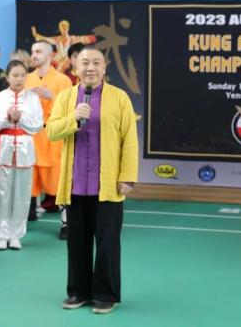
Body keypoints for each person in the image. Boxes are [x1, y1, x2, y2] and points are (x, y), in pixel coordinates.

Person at [47, 48, 138, 314]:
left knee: (108, 243)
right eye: (85, 63)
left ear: (104, 68)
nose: (90, 68)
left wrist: (127, 176)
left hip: (107, 185)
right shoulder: (66, 98)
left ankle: (106, 294)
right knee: (77, 242)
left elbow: (129, 140)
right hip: (75, 184)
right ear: (75, 67)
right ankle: (79, 292)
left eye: (96, 63)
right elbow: (52, 131)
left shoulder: (119, 98)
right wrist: (74, 118)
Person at [0, 60, 43, 250]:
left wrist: (21, 118)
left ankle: (16, 235)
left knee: (22, 193)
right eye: (15, 75)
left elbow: (37, 125)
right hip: (2, 147)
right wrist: (6, 118)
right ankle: (1, 235)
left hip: (25, 146)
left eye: (23, 75)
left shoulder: (33, 99)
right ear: (7, 77)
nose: (19, 79)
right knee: (1, 192)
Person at [26, 41, 72, 226]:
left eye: (38, 51)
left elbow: (70, 108)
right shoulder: (27, 79)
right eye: (33, 52)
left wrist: (52, 97)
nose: (34, 55)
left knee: (58, 180)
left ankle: (66, 223)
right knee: (30, 179)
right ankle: (28, 215)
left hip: (53, 137)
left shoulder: (63, 80)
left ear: (50, 56)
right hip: (31, 136)